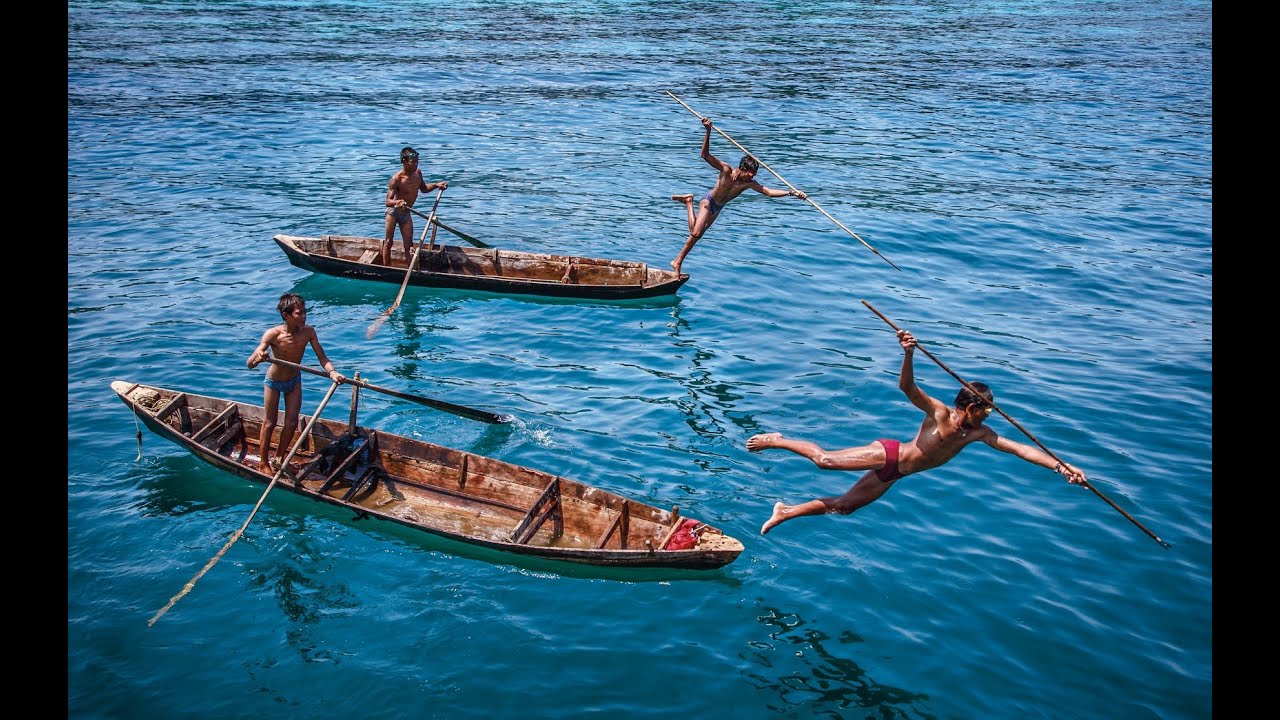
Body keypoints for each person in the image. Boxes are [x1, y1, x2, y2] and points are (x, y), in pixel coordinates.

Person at [747, 329, 1086, 535]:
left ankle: (787, 511)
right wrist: (908, 354)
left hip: (896, 474)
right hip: (891, 454)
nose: (988, 415)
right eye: (984, 409)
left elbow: (1020, 449)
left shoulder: (980, 434)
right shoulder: (939, 413)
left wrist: (1061, 466)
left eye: (990, 410)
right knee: (824, 461)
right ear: (967, 406)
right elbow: (907, 388)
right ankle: (778, 440)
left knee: (846, 506)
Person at [669, 116, 808, 275]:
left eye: (754, 175)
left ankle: (688, 203)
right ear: (742, 169)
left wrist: (792, 193)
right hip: (708, 201)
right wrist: (708, 131)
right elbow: (705, 156)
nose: (753, 177)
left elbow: (769, 192)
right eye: (751, 174)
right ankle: (677, 262)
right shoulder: (726, 171)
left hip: (718, 208)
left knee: (695, 233)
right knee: (696, 233)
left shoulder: (748, 184)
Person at [246, 292, 344, 474]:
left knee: (291, 423)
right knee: (269, 423)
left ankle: (279, 460)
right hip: (273, 382)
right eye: (299, 313)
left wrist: (332, 372)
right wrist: (258, 357)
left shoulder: (309, 332)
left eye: (305, 312)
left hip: (294, 381)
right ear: (286, 315)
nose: (304, 316)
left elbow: (322, 358)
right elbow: (250, 364)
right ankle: (263, 463)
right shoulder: (273, 334)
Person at [382, 146, 449, 265]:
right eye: (413, 162)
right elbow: (388, 202)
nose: (416, 165)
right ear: (404, 161)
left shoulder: (418, 174)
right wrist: (397, 202)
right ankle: (386, 269)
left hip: (406, 214)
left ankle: (410, 269)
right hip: (393, 213)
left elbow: (423, 189)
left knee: (409, 246)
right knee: (388, 242)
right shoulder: (396, 179)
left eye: (417, 162)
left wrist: (436, 185)